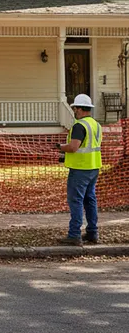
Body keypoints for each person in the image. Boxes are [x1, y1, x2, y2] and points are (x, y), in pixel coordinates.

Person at [56, 93, 102, 246]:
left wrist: (60, 147)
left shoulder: (79, 126)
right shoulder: (96, 125)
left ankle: (74, 234)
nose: (74, 111)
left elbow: (73, 147)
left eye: (75, 108)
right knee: (90, 200)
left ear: (80, 109)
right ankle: (92, 233)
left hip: (80, 169)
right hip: (93, 167)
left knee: (76, 200)